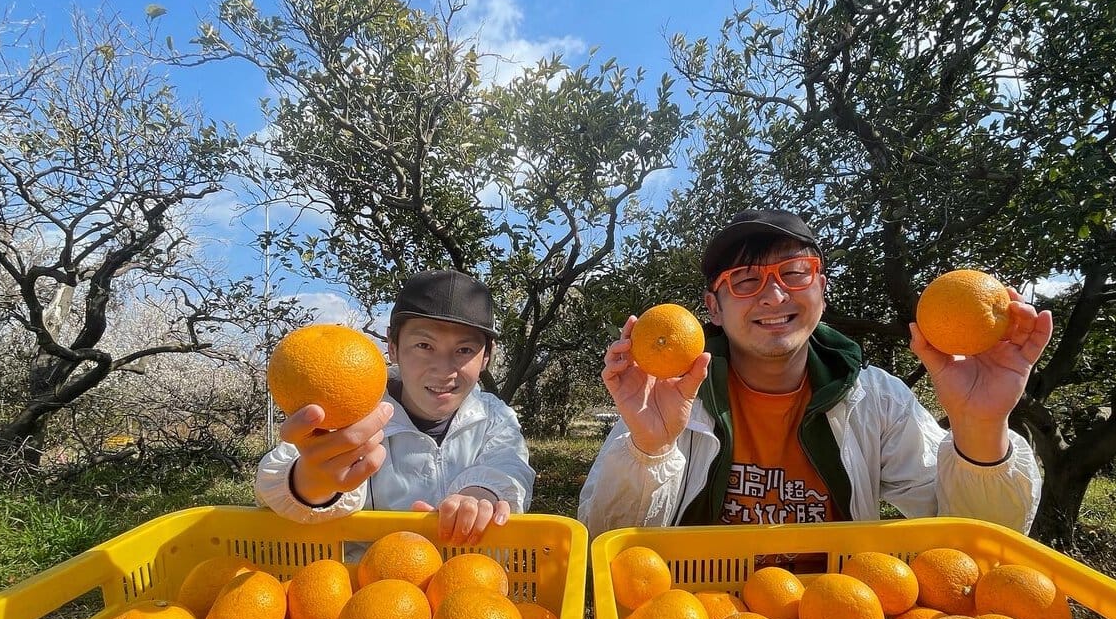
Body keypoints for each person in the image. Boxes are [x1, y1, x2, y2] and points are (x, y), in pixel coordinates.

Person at [578, 209, 1052, 555]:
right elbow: (607, 546)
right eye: (745, 280)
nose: (774, 293)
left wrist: (979, 424)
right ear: (713, 308)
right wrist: (648, 447)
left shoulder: (876, 400)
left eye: (794, 272)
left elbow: (978, 543)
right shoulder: (672, 396)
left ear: (822, 291)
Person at [257, 269, 535, 545]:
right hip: (374, 581)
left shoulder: (493, 416)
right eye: (424, 345)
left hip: (472, 580)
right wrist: (311, 482)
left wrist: (483, 492)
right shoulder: (353, 414)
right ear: (392, 345)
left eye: (464, 350)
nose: (444, 370)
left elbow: (510, 466)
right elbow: (273, 479)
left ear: (486, 357)